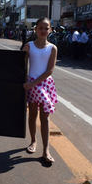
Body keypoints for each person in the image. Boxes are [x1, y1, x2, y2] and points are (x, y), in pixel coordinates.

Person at [23, 17, 58, 163]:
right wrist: (23, 53)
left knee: (45, 117)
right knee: (32, 115)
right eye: (40, 28)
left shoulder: (52, 48)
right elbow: (22, 64)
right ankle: (33, 141)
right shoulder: (29, 46)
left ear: (50, 30)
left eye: (46, 28)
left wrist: (33, 84)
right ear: (35, 29)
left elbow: (49, 70)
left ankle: (46, 150)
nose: (43, 31)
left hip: (44, 84)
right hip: (31, 83)